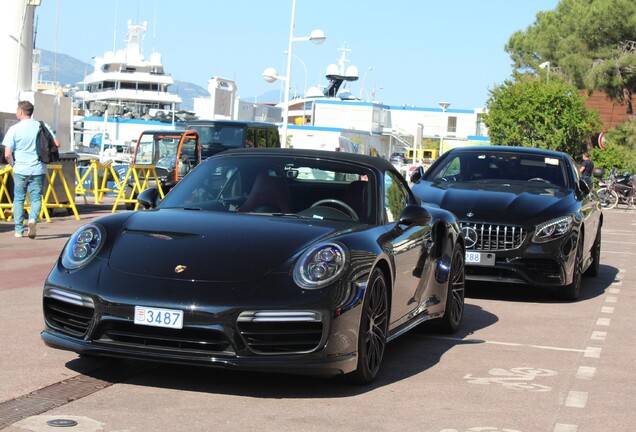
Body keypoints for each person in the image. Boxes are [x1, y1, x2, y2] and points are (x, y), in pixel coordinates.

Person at [2, 100, 60, 239]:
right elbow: (57, 143)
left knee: (19, 199)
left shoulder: (14, 129)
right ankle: (33, 220)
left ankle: (18, 230)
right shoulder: (42, 125)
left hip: (20, 169)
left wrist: (13, 165)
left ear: (21, 112)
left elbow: (7, 154)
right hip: (38, 169)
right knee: (36, 198)